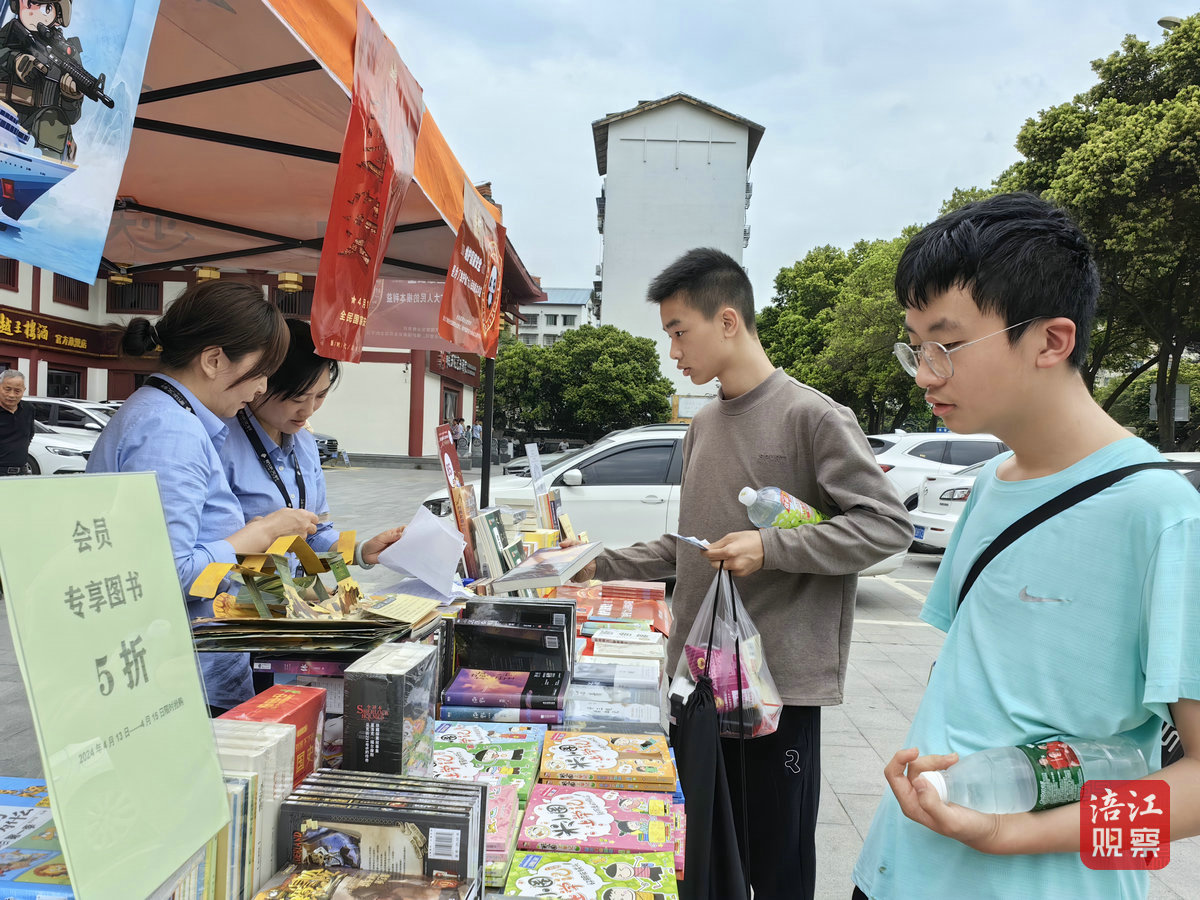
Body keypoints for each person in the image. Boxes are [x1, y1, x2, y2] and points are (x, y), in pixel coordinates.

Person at [852, 193, 1200, 899]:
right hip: (900, 866)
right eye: (915, 346)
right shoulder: (989, 483)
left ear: (1051, 340)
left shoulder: (1163, 516)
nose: (924, 374)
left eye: (945, 346)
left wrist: (1013, 833)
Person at [570, 247, 912, 900]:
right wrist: (594, 563)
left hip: (779, 693)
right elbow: (689, 548)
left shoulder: (812, 417)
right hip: (699, 690)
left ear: (727, 321)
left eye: (679, 331)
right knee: (706, 862)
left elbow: (886, 528)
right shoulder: (702, 425)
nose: (673, 351)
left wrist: (769, 548)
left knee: (777, 870)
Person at [87, 281, 318, 712]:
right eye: (260, 371)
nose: (260, 388)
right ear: (214, 360)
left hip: (188, 662)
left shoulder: (164, 414)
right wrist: (262, 531)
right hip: (180, 675)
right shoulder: (170, 430)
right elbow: (170, 575)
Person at [219, 318, 404, 571]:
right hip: (239, 602)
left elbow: (315, 534)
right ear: (261, 384)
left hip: (291, 602)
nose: (309, 410)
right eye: (297, 398)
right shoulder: (220, 442)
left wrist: (361, 551)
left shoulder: (304, 444)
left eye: (321, 396)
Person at [0, 0, 85, 160]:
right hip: (4, 114)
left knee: (53, 121)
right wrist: (14, 60)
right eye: (29, 4)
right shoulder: (8, 35)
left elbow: (72, 117)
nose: (34, 13)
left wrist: (70, 97)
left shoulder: (68, 53)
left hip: (39, 126)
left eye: (46, 8)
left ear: (59, 13)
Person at [0, 369, 33, 476]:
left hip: (22, 472)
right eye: (7, 389)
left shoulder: (29, 409)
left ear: (24, 390)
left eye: (17, 391)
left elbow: (30, 434)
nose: (12, 395)